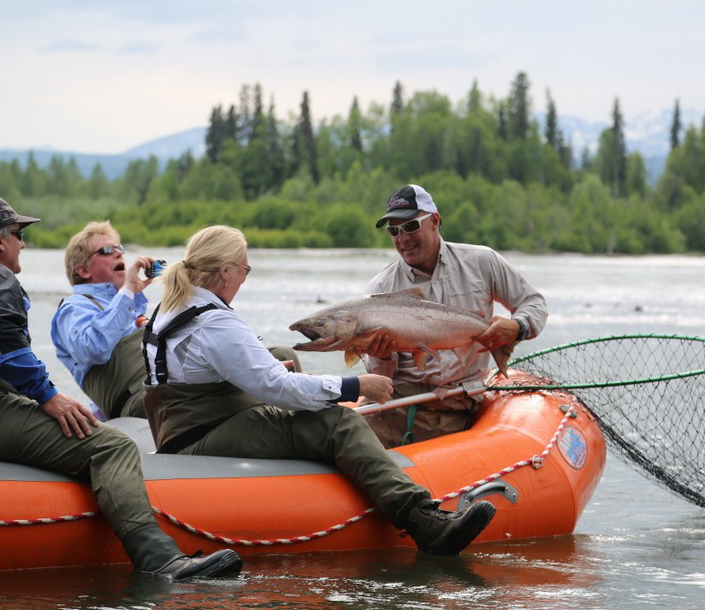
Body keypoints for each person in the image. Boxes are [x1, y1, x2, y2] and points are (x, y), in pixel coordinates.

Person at [0, 195, 242, 581]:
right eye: (17, 233)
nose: (22, 243)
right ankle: (163, 561)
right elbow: (1, 344)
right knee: (112, 447)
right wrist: (49, 396)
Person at [141, 225, 497, 556]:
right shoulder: (216, 321)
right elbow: (278, 389)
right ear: (225, 272)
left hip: (180, 430)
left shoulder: (172, 307)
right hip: (204, 435)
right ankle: (424, 522)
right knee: (337, 423)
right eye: (245, 270)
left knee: (280, 357)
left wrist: (266, 374)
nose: (244, 279)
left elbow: (199, 371)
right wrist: (355, 385)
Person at [360, 184, 548, 448]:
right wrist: (381, 355)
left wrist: (517, 327)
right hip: (394, 407)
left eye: (410, 226)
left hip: (456, 406)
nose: (402, 238)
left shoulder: (483, 262)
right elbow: (381, 378)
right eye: (393, 230)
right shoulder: (380, 289)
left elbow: (533, 303)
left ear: (435, 221)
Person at [52, 221, 160, 420]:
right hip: (141, 402)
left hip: (159, 392)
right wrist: (128, 291)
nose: (118, 253)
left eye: (120, 248)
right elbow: (94, 350)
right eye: (107, 250)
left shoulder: (128, 306)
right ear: (83, 270)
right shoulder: (74, 308)